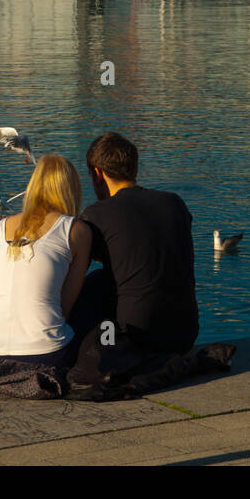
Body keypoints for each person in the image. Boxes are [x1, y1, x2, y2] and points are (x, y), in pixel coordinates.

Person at [74, 132, 199, 355]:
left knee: (89, 285)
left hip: (135, 340)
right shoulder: (175, 203)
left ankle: (76, 353)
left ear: (97, 174)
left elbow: (75, 272)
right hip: (184, 335)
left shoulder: (96, 215)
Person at [0, 154, 92, 368]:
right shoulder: (76, 230)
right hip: (46, 354)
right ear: (71, 189)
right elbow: (65, 308)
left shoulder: (1, 227)